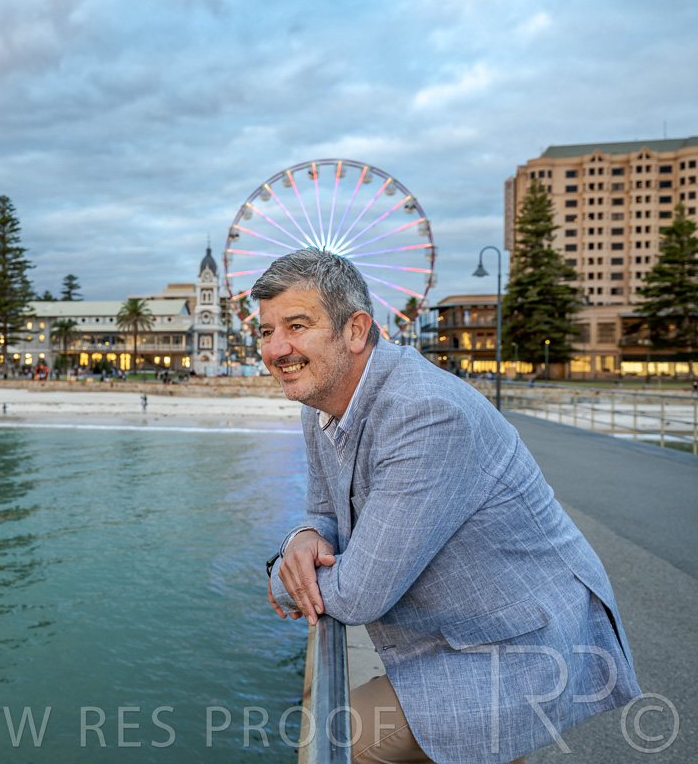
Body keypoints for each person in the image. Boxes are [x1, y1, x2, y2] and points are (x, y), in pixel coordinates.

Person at [255, 249, 639, 764]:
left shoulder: (426, 414)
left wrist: (282, 575)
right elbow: (322, 510)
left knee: (334, 736)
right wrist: (299, 539)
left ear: (356, 330)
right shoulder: (321, 402)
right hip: (456, 628)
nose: (277, 348)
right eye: (266, 331)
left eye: (297, 326)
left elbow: (358, 595)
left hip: (520, 645)